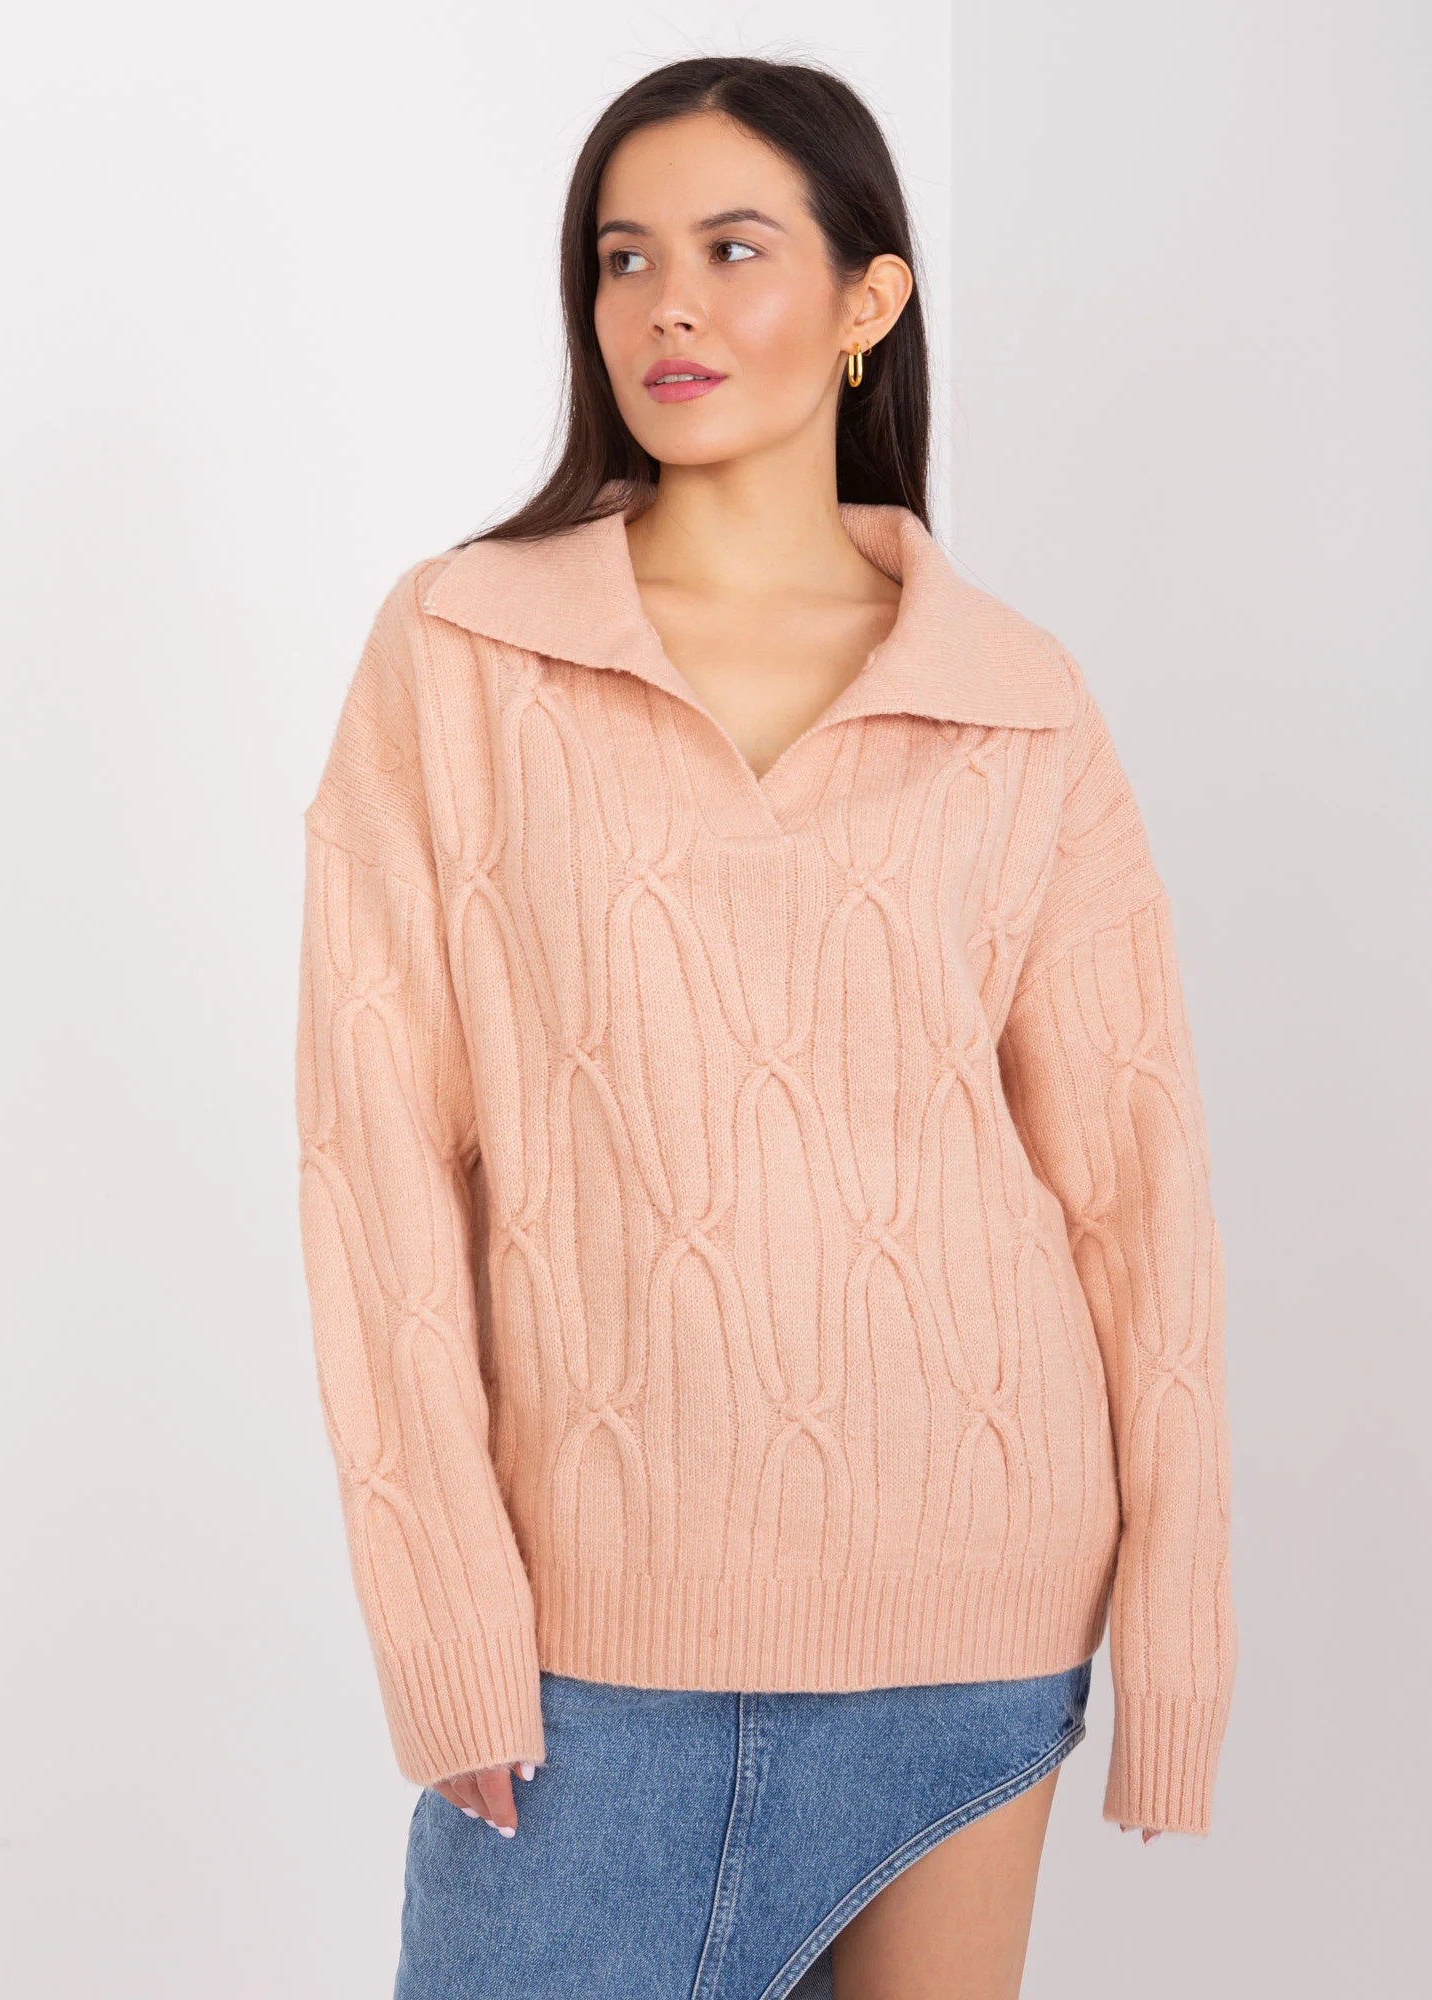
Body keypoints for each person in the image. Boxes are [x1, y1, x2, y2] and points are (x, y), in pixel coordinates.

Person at [294, 52, 1237, 2000]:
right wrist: (443, 1620)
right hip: (584, 1653)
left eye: (734, 249)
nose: (669, 305)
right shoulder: (462, 650)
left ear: (869, 297)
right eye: (623, 257)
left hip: (977, 1610)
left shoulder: (1017, 694)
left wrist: (1182, 1637)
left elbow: (1137, 1190)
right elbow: (374, 1160)